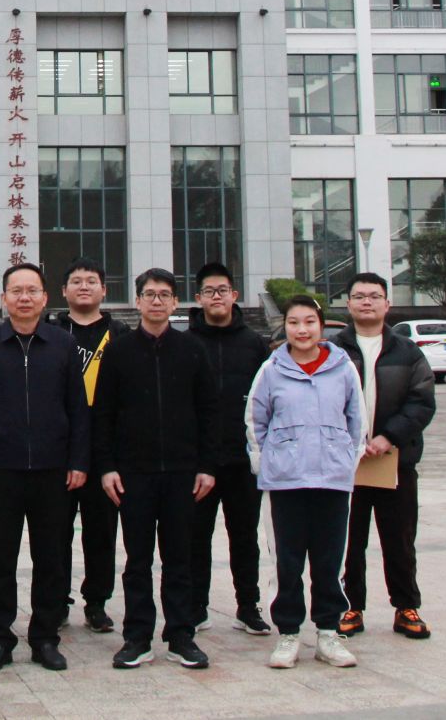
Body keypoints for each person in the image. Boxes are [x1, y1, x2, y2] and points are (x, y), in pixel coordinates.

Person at [0, 264, 89, 673]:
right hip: (2, 468)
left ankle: (45, 638)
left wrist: (78, 460)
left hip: (53, 469)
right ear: (4, 298)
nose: (24, 297)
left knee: (51, 558)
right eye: (16, 291)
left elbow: (78, 408)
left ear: (45, 297)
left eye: (32, 290)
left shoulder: (63, 344)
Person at [93, 267, 217, 670]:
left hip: (183, 473)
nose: (157, 301)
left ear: (176, 302)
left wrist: (207, 466)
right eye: (150, 294)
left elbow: (209, 412)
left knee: (180, 558)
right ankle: (137, 637)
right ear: (138, 301)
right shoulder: (119, 351)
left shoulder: (192, 349)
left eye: (165, 294)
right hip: (134, 473)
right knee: (137, 560)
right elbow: (103, 414)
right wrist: (107, 467)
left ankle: (181, 635)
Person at [249, 294, 364, 670]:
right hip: (285, 481)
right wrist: (267, 462)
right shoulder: (271, 370)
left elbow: (357, 421)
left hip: (332, 479)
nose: (302, 329)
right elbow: (256, 421)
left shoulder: (343, 368)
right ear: (285, 327)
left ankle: (328, 632)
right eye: (294, 322)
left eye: (310, 322)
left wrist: (345, 461)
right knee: (288, 562)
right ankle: (288, 633)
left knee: (329, 561)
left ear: (321, 325)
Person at [331, 271, 438, 642]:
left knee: (400, 539)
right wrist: (348, 441)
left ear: (387, 304)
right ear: (348, 304)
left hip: (395, 461)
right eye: (359, 296)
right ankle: (351, 606)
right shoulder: (334, 351)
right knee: (348, 540)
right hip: (347, 463)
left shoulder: (408, 352)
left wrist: (388, 436)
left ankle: (406, 607)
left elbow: (422, 402)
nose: (367, 302)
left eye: (374, 296)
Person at [187, 262, 271, 636]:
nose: (216, 297)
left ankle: (248, 605)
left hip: (243, 459)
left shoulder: (254, 344)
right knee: (195, 537)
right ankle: (195, 606)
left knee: (245, 536)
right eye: (209, 291)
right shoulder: (186, 343)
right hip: (199, 461)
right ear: (198, 298)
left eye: (222, 290)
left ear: (234, 295)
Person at [55, 258, 125, 633]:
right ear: (63, 291)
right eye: (76, 281)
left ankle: (96, 602)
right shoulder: (50, 332)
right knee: (55, 530)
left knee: (101, 531)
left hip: (104, 449)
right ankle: (57, 600)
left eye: (91, 281)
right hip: (59, 448)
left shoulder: (121, 335)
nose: (84, 286)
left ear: (104, 290)